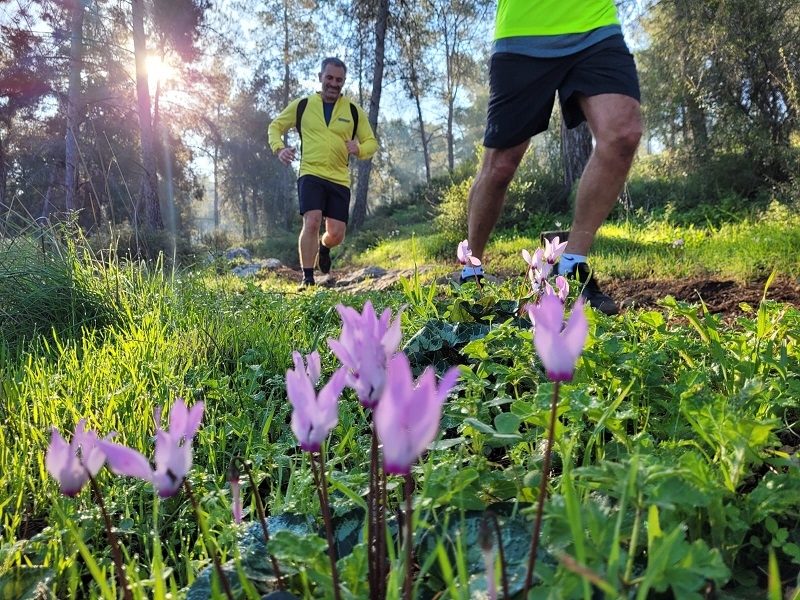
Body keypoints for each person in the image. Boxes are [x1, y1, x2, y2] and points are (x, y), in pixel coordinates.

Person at [462, 0, 642, 315]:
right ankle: (470, 269)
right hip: (523, 31)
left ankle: (571, 265)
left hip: (595, 25)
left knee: (623, 133)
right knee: (501, 166)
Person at [268, 57, 378, 289]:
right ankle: (308, 279)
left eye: (339, 80)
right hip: (311, 172)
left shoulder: (352, 110)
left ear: (343, 82)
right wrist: (279, 148)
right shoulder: (303, 105)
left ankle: (325, 246)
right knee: (312, 221)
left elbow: (371, 142)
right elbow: (275, 127)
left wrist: (359, 149)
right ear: (320, 78)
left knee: (337, 233)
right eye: (329, 78)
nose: (333, 83)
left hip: (339, 177)